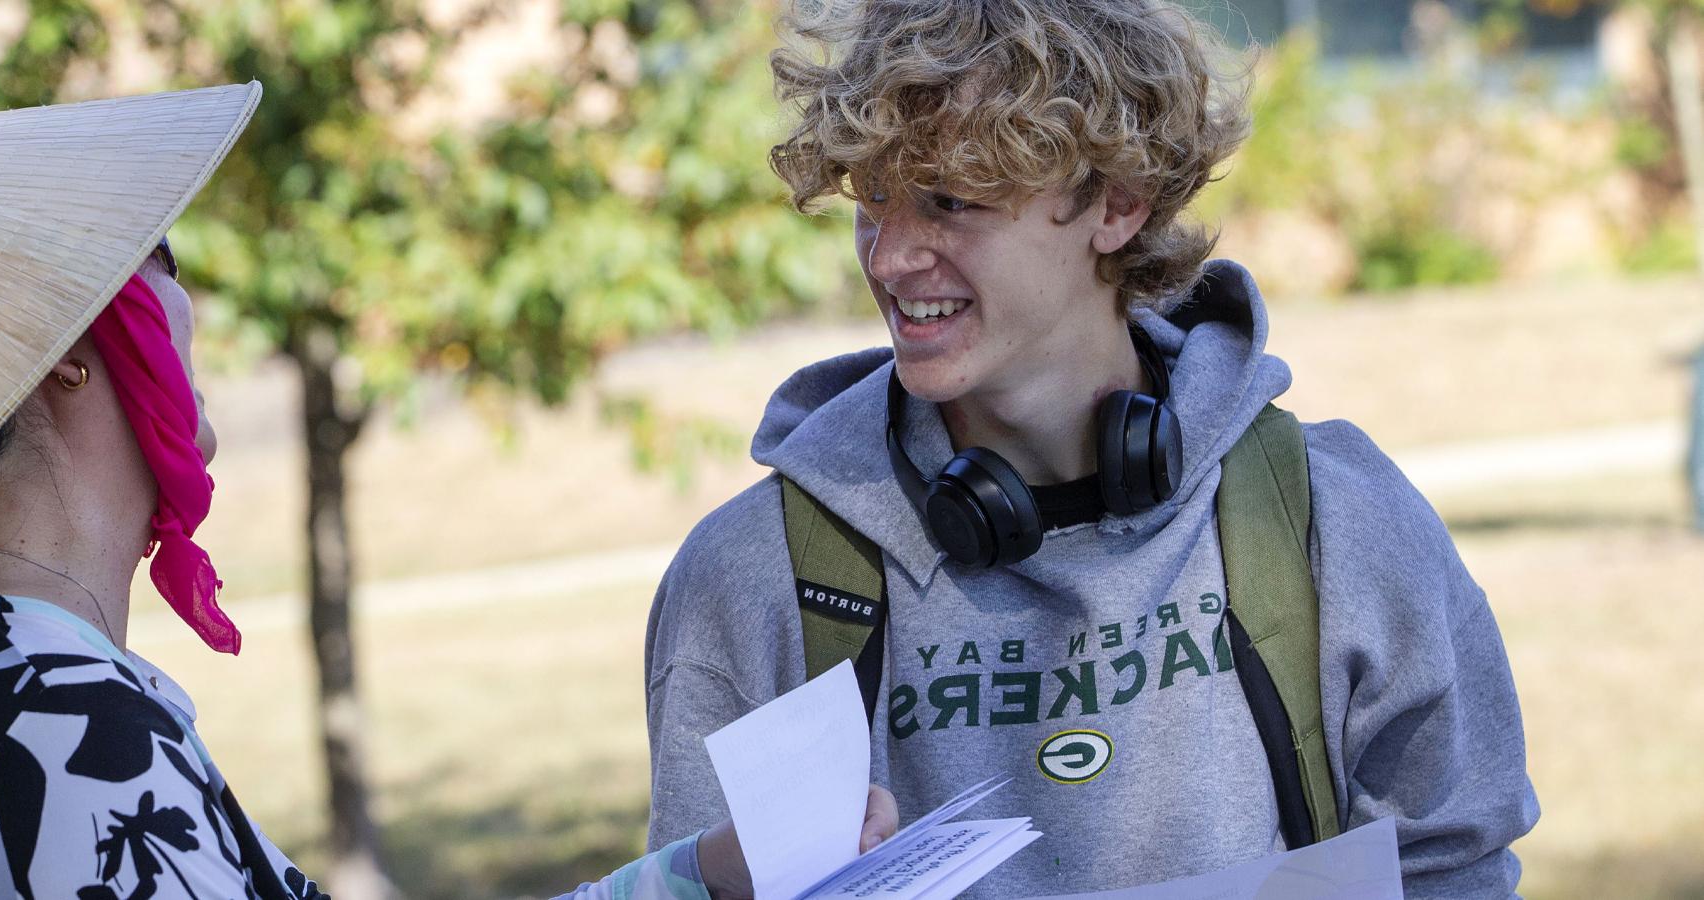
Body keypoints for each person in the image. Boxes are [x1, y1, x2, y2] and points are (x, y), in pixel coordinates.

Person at [0, 84, 897, 900]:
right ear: (84, 349)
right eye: (163, 266)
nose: (200, 319)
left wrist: (701, 879)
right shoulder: (55, 710)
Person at [641, 0, 1539, 896]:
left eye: (951, 201)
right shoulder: (751, 580)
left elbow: (1451, 867)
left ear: (1117, 203)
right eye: (873, 199)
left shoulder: (1339, 523)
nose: (889, 258)